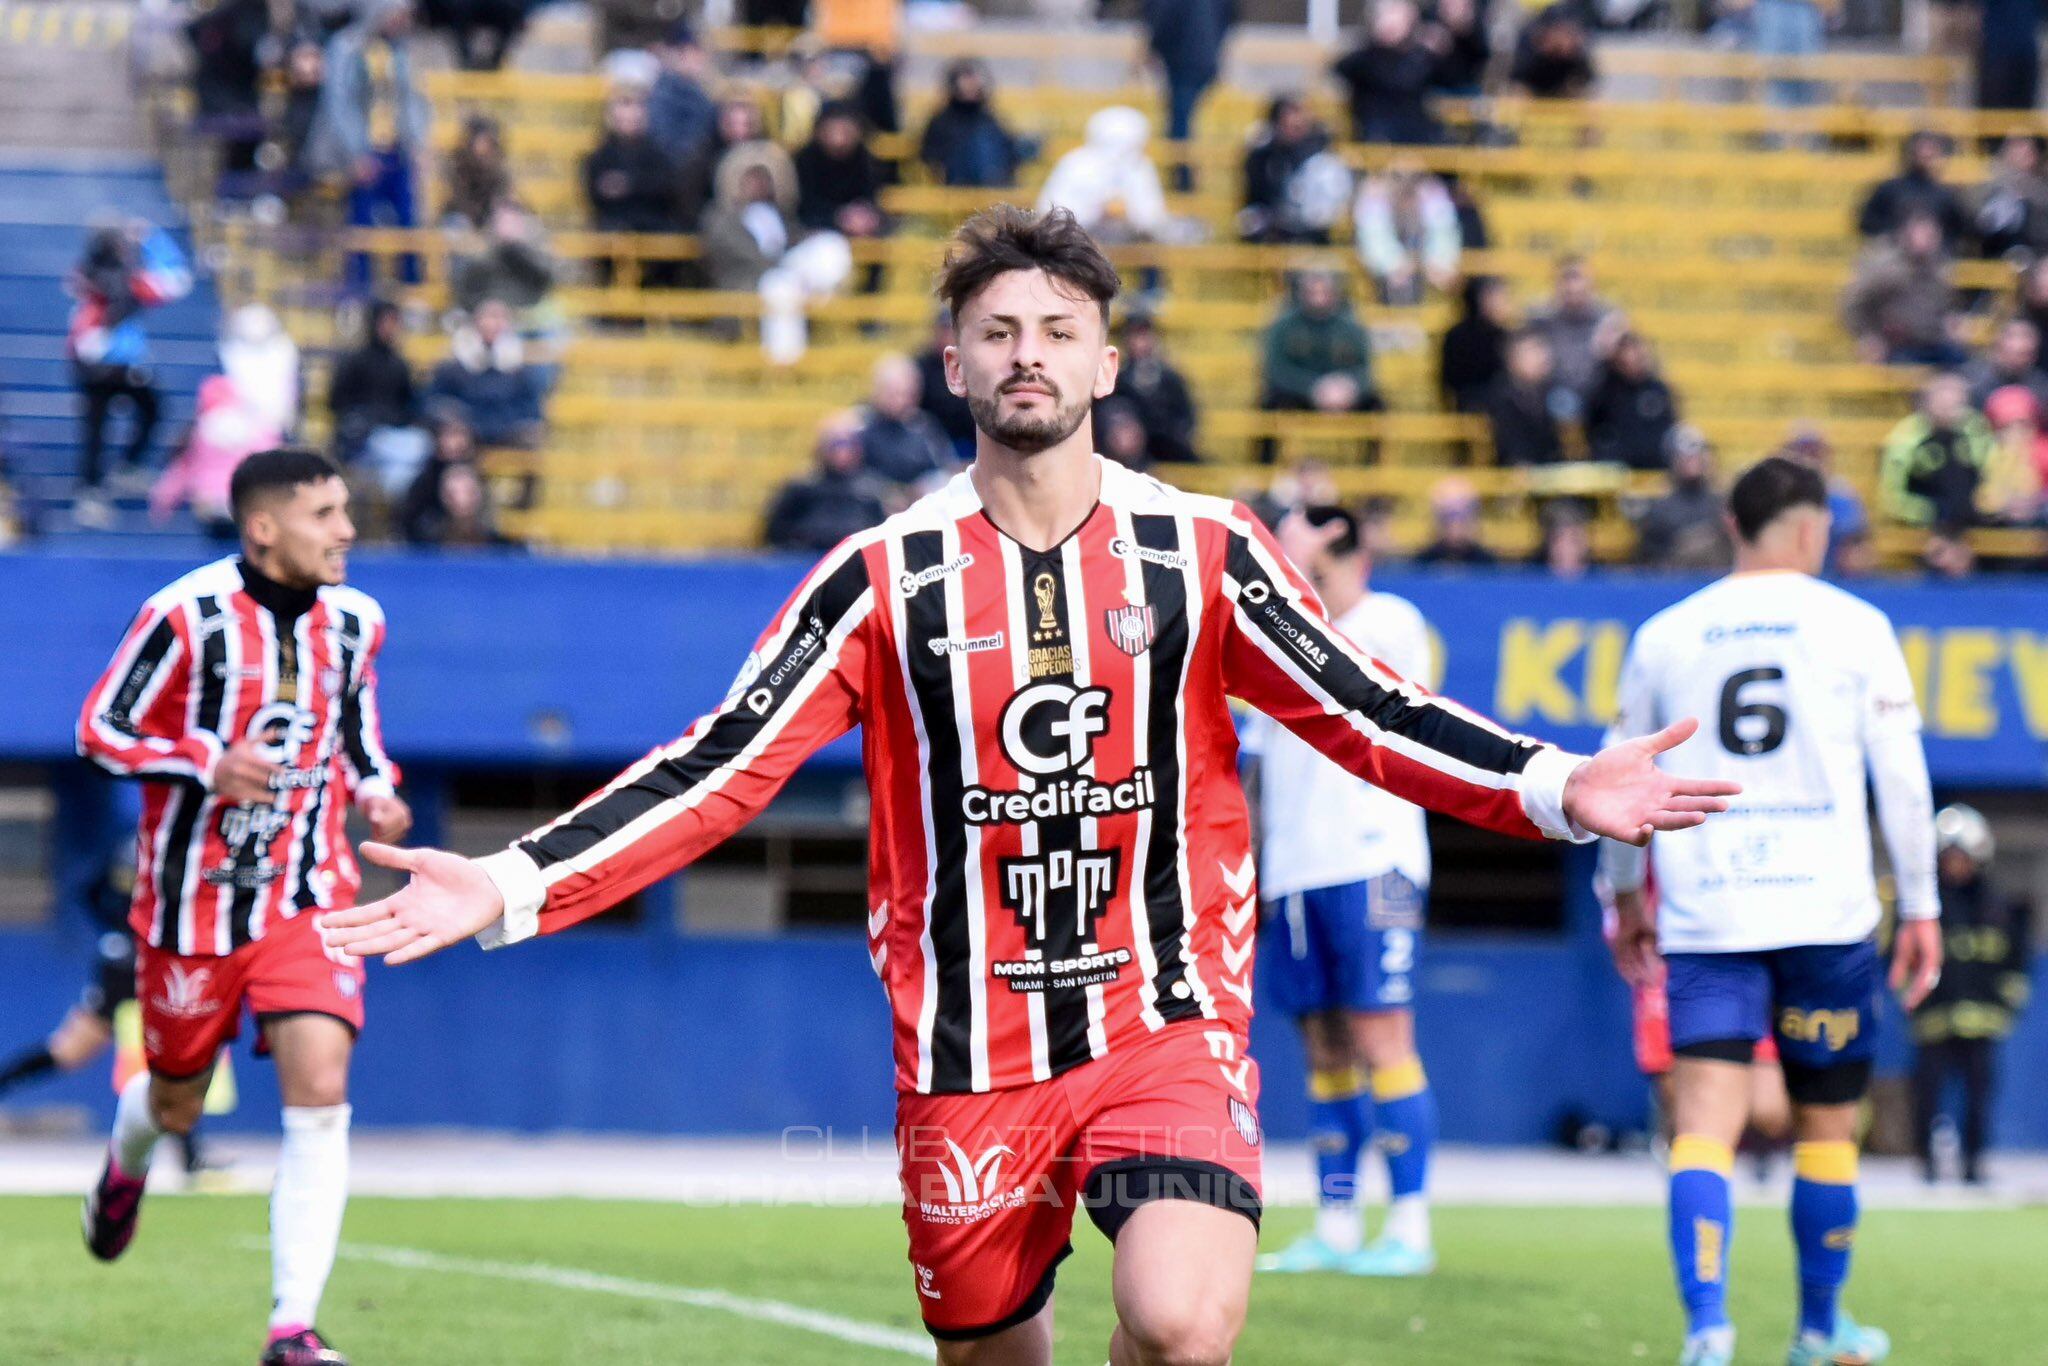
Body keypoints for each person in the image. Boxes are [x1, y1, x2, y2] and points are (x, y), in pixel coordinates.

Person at [320, 204, 1736, 1366]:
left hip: (1163, 1012)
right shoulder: (883, 578)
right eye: (998, 331)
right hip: (966, 1051)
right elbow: (720, 764)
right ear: (954, 363)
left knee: (1182, 1323)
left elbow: (1368, 709)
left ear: (1109, 365)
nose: (1029, 355)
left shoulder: (1205, 551)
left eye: (1060, 331)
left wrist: (1557, 787)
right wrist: (510, 877)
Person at [1603, 454, 1942, 1366]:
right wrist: (1922, 904)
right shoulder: (1855, 624)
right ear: (1810, 528)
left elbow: (1620, 774)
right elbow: (1902, 782)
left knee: (1702, 1124)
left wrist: (1623, 892)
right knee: (1827, 1130)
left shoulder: (1668, 633)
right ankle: (1818, 1328)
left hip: (1712, 908)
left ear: (1731, 523)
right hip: (1825, 915)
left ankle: (1708, 1328)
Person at [77, 449, 411, 1366]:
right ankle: (128, 1161)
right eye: (325, 514)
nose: (347, 530)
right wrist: (202, 761)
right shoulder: (184, 616)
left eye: (346, 510)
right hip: (190, 912)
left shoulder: (356, 621)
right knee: (178, 1100)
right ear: (264, 528)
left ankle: (291, 1328)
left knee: (322, 1090)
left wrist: (377, 790)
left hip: (308, 894)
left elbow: (357, 735)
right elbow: (99, 729)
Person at [1245, 504, 1442, 1278]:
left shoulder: (1389, 619)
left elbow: (1374, 691)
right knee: (1323, 1048)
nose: (1282, 548)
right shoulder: (1280, 644)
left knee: (1382, 1035)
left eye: (1297, 535)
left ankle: (1411, 1225)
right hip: (1296, 872)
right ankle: (1336, 1222)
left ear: (1338, 542)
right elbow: (1257, 773)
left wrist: (1299, 571)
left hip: (1373, 862)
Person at [1911, 804, 2032, 1185]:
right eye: (1948, 857)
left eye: (1961, 857)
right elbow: (1902, 963)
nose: (1955, 865)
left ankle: (1973, 1163)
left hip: (1983, 1024)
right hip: (1934, 1022)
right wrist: (1912, 1002)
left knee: (1978, 1098)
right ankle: (1927, 1165)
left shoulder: (1998, 907)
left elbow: (2016, 965)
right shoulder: (1922, 909)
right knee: (1927, 1096)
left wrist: (2004, 1007)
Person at [69, 219, 192, 498]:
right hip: (101, 364)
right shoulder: (123, 281)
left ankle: (115, 473)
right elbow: (176, 279)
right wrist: (151, 238)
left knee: (147, 410)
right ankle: (93, 486)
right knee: (99, 426)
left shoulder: (93, 275)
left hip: (107, 363)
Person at [1877, 371, 1999, 528]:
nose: (1950, 412)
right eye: (1943, 405)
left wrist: (1985, 503)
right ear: (1927, 404)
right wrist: (1930, 512)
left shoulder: (1974, 430)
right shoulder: (1906, 437)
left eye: (1956, 406)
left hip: (1969, 517)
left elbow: (1992, 472)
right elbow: (1890, 497)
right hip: (1920, 523)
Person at [1035, 106, 1174, 245]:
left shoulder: (1140, 166)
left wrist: (1129, 213)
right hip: (1080, 240)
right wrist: (1097, 210)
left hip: (1130, 240)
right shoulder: (1075, 164)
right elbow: (1050, 210)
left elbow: (1153, 215)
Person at [1841, 211, 1963, 367]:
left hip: (1934, 342)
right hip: (1898, 346)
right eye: (1922, 233)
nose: (1927, 239)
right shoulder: (1885, 269)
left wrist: (1950, 323)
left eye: (1931, 234)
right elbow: (1854, 304)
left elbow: (1947, 307)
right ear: (1906, 235)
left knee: (1964, 367)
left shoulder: (1940, 271)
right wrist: (1868, 336)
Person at [329, 300, 426, 492]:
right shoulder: (353, 361)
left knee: (414, 454)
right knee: (403, 463)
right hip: (363, 439)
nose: (390, 328)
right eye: (386, 321)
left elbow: (408, 405)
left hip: (394, 436)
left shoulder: (399, 364)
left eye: (395, 322)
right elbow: (336, 403)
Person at [427, 298, 547, 449]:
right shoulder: (454, 365)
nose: (493, 324)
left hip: (509, 432)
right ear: (476, 322)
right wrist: (455, 420)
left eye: (499, 318)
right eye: (489, 317)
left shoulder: (519, 369)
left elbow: (531, 407)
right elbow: (436, 400)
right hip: (465, 433)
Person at [764, 411, 890, 550]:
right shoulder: (803, 486)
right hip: (807, 558)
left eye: (849, 444)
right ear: (823, 446)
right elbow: (776, 529)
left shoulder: (871, 489)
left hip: (855, 559)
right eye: (836, 444)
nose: (843, 451)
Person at [1143, 0, 1235, 189]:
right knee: (1184, 118)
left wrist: (1153, 48)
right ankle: (1183, 176)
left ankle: (1182, 180)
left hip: (1184, 60)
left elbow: (1164, 20)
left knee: (1180, 120)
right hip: (1204, 59)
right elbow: (1230, 16)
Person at [1259, 270, 1378, 415]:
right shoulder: (1283, 326)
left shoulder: (1351, 326)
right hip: (1296, 394)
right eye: (1313, 292)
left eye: (1323, 292)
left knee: (1376, 406)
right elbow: (1276, 369)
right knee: (1269, 405)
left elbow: (1366, 369)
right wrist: (1313, 387)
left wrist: (1348, 387)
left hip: (1344, 393)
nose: (1318, 298)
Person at [1333, 0, 1443, 145]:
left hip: (1416, 139)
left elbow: (1454, 76)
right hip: (1378, 140)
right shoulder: (1363, 60)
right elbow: (1340, 69)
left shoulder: (1421, 58)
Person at [1239, 95, 1343, 246]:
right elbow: (1256, 196)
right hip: (1274, 227)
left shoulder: (1322, 160)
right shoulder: (1263, 157)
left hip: (1311, 232)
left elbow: (1327, 209)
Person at [1353, 165, 1461, 305]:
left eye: (1415, 178)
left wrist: (1437, 264)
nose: (1407, 184)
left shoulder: (1432, 197)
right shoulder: (1374, 197)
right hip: (1380, 279)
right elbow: (1372, 240)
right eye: (1398, 177)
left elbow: (1444, 237)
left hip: (1420, 272)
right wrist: (1394, 264)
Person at [583, 90, 681, 237]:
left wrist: (629, 185)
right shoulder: (600, 157)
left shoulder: (658, 155)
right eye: (623, 119)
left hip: (653, 226)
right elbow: (595, 193)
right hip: (613, 225)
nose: (628, 122)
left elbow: (668, 189)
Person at [918, 59, 1029, 189]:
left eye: (974, 80)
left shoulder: (989, 120)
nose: (971, 85)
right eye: (966, 80)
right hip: (958, 186)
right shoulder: (942, 121)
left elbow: (1010, 151)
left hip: (994, 186)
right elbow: (929, 155)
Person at [793, 101, 890, 249]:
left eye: (845, 131)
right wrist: (838, 218)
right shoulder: (805, 161)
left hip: (864, 231)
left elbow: (874, 197)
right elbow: (803, 208)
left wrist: (866, 216)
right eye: (832, 131)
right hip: (816, 233)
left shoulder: (867, 160)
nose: (838, 140)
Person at [1633, 427, 1733, 570]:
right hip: (1675, 582)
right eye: (1685, 456)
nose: (1692, 461)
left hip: (1715, 579)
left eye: (1697, 455)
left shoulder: (1721, 504)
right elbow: (1650, 560)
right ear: (1673, 459)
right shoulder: (1660, 509)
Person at [1526, 255, 1618, 407]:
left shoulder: (1609, 318)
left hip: (1599, 392)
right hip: (1553, 392)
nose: (1572, 285)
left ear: (1591, 283)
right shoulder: (1539, 318)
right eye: (1566, 278)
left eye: (1577, 277)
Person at [1111, 310, 1199, 464]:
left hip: (1171, 448)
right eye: (1135, 335)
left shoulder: (1171, 378)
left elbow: (1188, 416)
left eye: (1144, 334)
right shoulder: (1118, 379)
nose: (1140, 342)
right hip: (1134, 454)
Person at [858, 354, 956, 490]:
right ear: (877, 391)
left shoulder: (924, 425)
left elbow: (945, 465)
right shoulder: (861, 426)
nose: (900, 400)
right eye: (892, 393)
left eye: (906, 394)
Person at [1586, 330, 1680, 470]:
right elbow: (1590, 425)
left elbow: (1670, 429)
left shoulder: (1657, 390)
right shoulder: (1606, 390)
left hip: (1654, 470)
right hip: (1616, 472)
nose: (1631, 359)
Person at [1856, 131, 1966, 247]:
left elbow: (1961, 229)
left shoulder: (1945, 194)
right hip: (1894, 253)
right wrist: (1899, 234)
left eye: (1930, 152)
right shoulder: (1890, 189)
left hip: (1935, 256)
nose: (1925, 156)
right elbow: (1867, 223)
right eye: (1921, 152)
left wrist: (1933, 236)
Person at [1485, 329, 1565, 467]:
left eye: (1543, 350)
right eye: (1534, 352)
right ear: (1513, 360)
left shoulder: (1554, 393)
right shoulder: (1500, 398)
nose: (1543, 357)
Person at [646, 21, 717, 168]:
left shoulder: (700, 91)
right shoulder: (664, 94)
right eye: (689, 52)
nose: (698, 59)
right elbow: (666, 142)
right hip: (676, 172)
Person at [1968, 135, 2048, 262]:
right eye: (2013, 146)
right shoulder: (1990, 184)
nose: (2018, 153)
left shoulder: (2041, 188)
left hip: (2035, 255)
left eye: (2023, 147)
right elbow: (1976, 221)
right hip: (1993, 253)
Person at [1439, 276, 1512, 413]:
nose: (1505, 304)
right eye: (1500, 298)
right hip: (1475, 405)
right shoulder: (1458, 337)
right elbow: (1449, 382)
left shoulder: (1507, 336)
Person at [914, 309, 978, 459]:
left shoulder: (973, 362)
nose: (947, 336)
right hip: (934, 439)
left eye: (952, 330)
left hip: (970, 437)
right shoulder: (922, 365)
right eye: (944, 330)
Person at [441, 113, 512, 229]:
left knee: (507, 222)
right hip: (461, 219)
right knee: (456, 224)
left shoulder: (498, 171)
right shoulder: (457, 166)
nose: (485, 146)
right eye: (482, 140)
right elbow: (459, 201)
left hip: (489, 224)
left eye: (489, 141)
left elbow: (502, 199)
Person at [1961, 318, 2048, 411]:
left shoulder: (2041, 387)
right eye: (2011, 352)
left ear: (2034, 355)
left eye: (2024, 354)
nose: (2016, 361)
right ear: (1998, 346)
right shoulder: (1970, 379)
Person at [1509, 8, 1596, 99]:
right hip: (1533, 95)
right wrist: (1543, 52)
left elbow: (1587, 78)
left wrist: (1570, 54)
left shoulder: (1574, 48)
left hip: (1564, 99)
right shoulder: (1529, 41)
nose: (1559, 39)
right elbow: (1518, 78)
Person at [1413, 474, 1497, 566]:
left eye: (1462, 516)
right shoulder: (1421, 563)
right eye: (1448, 516)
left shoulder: (1487, 564)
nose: (1455, 524)